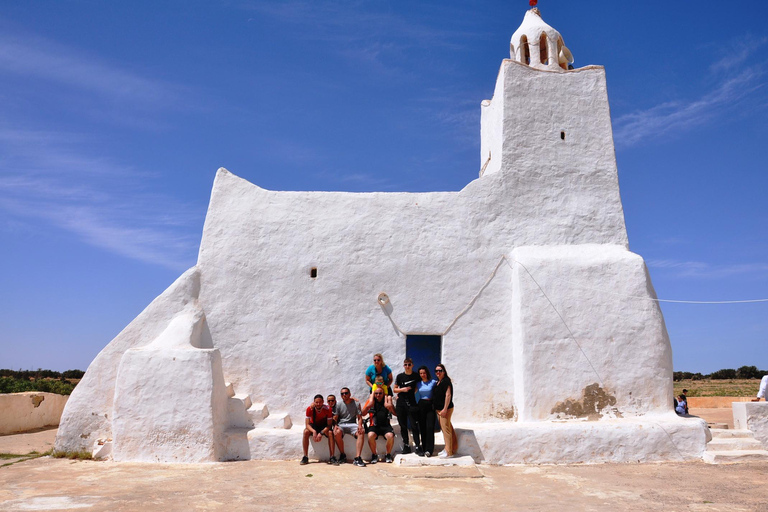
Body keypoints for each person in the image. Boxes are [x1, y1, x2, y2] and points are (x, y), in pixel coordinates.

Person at [331, 387, 367, 467]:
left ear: (350, 394)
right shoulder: (339, 404)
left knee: (361, 432)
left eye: (346, 393)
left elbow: (359, 417)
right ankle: (342, 455)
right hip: (342, 424)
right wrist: (335, 425)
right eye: (342, 393)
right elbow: (335, 417)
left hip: (352, 424)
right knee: (336, 432)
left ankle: (357, 457)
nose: (344, 395)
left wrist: (360, 425)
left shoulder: (356, 404)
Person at [361, 387, 397, 464]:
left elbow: (395, 414)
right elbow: (362, 413)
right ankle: (374, 455)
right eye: (376, 393)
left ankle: (388, 454)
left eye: (380, 393)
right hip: (374, 425)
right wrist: (368, 406)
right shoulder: (371, 402)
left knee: (390, 436)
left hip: (386, 425)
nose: (378, 395)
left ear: (383, 394)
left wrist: (390, 407)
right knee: (370, 435)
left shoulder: (386, 402)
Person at [393, 357, 421, 454]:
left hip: (412, 402)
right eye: (406, 365)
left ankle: (418, 446)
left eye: (409, 364)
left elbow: (418, 387)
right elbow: (395, 389)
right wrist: (402, 390)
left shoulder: (416, 376)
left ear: (412, 365)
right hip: (401, 403)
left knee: (414, 425)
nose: (407, 366)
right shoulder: (400, 376)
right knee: (403, 425)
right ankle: (406, 445)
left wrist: (413, 392)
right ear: (403, 366)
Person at [301, 394, 335, 465]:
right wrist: (314, 431)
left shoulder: (328, 409)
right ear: (314, 402)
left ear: (323, 402)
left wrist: (321, 433)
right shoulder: (309, 409)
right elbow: (307, 424)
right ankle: (305, 456)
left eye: (320, 402)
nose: (318, 404)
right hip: (313, 426)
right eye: (316, 402)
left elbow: (329, 425)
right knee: (306, 432)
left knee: (330, 433)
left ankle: (332, 457)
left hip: (323, 426)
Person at [433, 363, 458, 458]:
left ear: (444, 371)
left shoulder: (446, 381)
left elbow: (448, 395)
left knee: (445, 429)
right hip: (439, 409)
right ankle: (450, 448)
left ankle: (449, 452)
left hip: (445, 410)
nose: (438, 372)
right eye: (436, 371)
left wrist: (444, 409)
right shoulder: (439, 382)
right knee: (448, 428)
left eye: (440, 370)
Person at [416, 365, 438, 457]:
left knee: (430, 427)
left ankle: (429, 450)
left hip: (430, 405)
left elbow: (440, 390)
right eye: (421, 373)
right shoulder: (418, 383)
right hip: (421, 405)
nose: (422, 375)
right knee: (422, 427)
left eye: (424, 373)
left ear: (427, 373)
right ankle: (424, 448)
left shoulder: (433, 382)